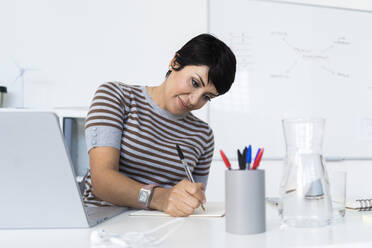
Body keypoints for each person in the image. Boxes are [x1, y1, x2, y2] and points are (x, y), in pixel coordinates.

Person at [83, 33, 236, 217]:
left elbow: (192, 201)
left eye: (207, 97)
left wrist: (190, 199)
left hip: (162, 231)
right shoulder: (116, 96)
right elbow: (102, 181)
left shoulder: (203, 135)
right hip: (104, 226)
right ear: (175, 62)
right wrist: (159, 198)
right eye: (195, 83)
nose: (194, 100)